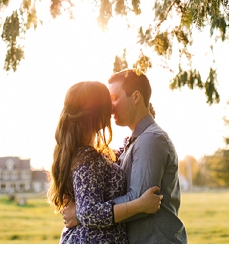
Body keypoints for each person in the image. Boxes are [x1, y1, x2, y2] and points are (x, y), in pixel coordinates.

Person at [62, 70, 188, 243]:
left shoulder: (151, 139)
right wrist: (87, 210)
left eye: (115, 98)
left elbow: (141, 200)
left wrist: (82, 213)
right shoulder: (135, 141)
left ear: (136, 97)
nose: (110, 107)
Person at [48, 81, 163, 244]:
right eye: (109, 102)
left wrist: (140, 121)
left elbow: (117, 157)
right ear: (96, 112)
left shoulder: (89, 155)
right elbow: (89, 213)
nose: (112, 108)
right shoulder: (87, 157)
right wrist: (140, 205)